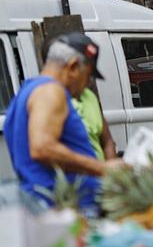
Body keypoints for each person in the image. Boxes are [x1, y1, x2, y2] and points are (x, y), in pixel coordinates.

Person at [3, 33, 121, 210]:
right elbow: (42, 148)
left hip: (52, 208)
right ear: (73, 67)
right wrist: (102, 169)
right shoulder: (51, 91)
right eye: (88, 75)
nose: (87, 84)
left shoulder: (27, 91)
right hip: (64, 211)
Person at [72, 85, 117, 161]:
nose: (89, 80)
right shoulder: (55, 97)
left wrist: (111, 170)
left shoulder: (90, 96)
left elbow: (108, 142)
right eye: (87, 74)